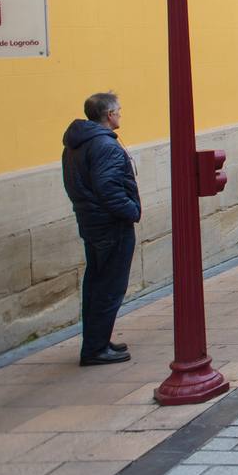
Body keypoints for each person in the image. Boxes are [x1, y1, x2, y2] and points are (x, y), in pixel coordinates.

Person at [62, 92, 140, 366]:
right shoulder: (104, 145)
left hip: (91, 221)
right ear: (109, 115)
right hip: (110, 224)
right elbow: (108, 189)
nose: (120, 113)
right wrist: (131, 211)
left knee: (97, 283)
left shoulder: (77, 143)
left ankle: (98, 341)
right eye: (118, 110)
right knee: (109, 286)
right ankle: (95, 349)